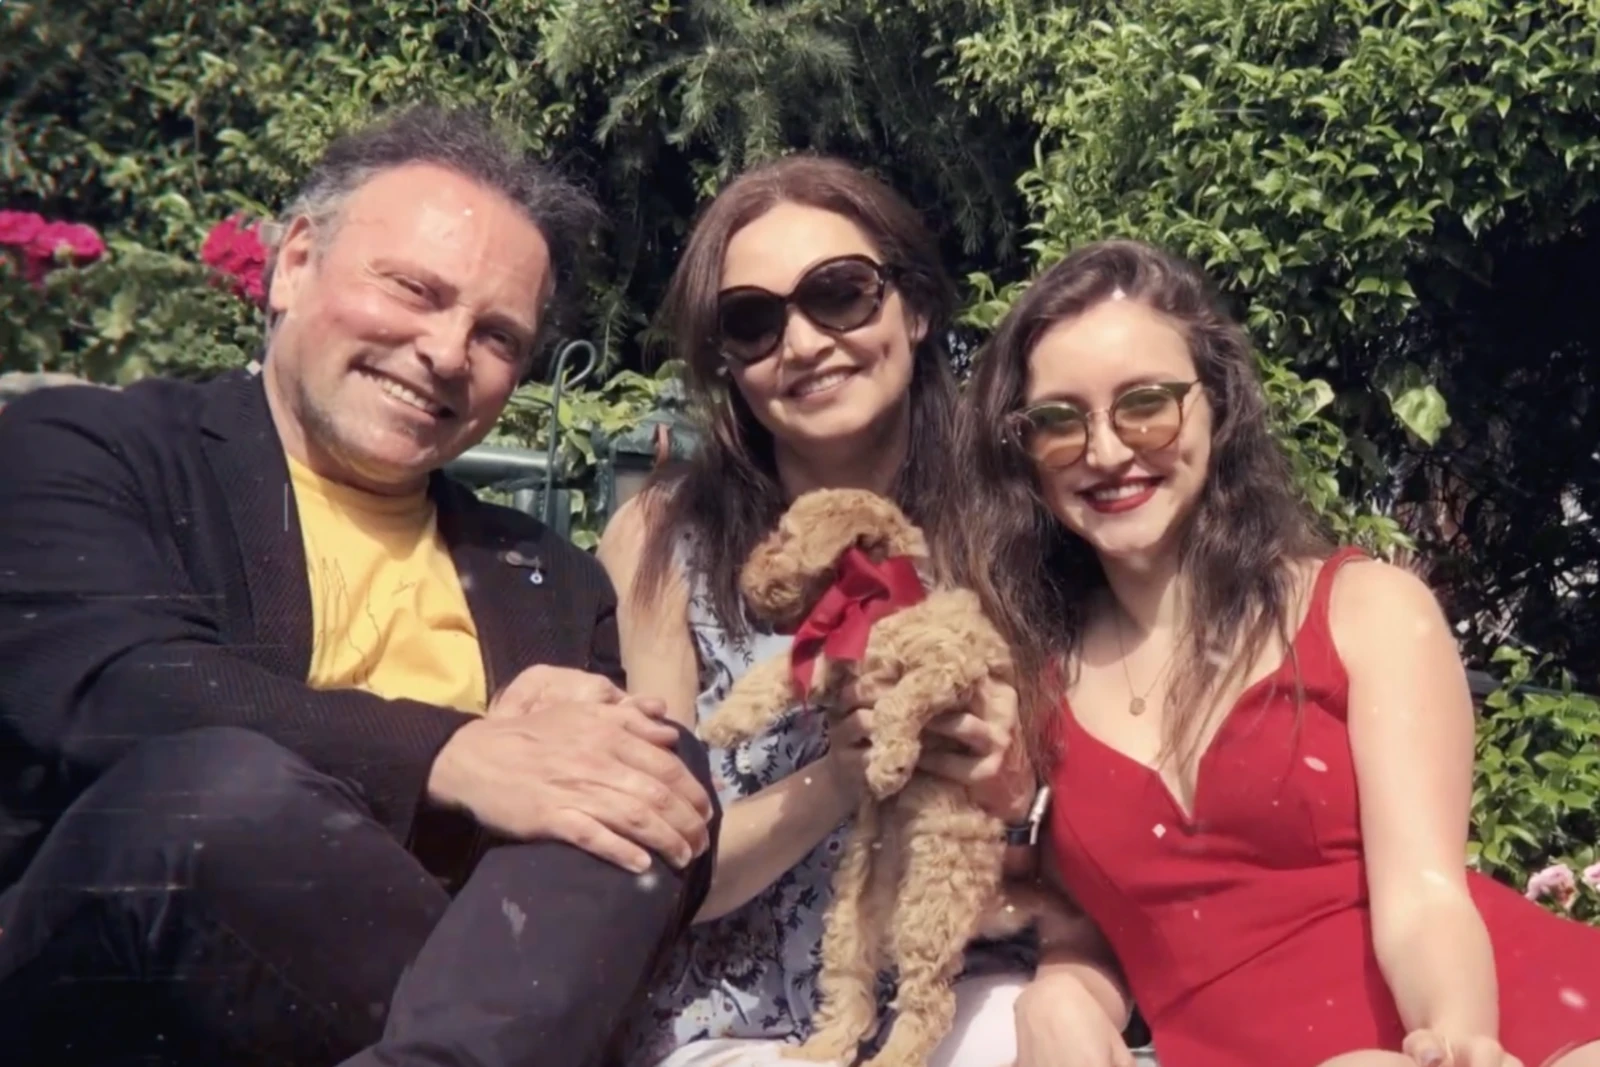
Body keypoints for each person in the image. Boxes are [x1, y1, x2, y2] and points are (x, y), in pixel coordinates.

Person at [0, 104, 719, 1067]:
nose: (447, 351)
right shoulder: (90, 452)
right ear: (294, 263)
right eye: (415, 289)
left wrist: (609, 758)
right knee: (216, 793)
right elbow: (114, 693)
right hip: (118, 997)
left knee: (645, 759)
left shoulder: (549, 579)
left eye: (498, 336)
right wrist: (454, 753)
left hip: (429, 1013)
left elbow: (613, 870)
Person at [958, 237, 1600, 1067]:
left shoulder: (1368, 612)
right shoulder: (1029, 677)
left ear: (1215, 406)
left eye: (1145, 403)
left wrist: (1455, 1042)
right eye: (1058, 422)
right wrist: (1061, 991)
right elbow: (1103, 925)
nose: (1108, 450)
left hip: (1496, 1027)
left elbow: (1426, 897)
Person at [595, 156, 1053, 1066]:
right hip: (738, 1018)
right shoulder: (663, 539)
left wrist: (1016, 793)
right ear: (727, 362)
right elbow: (661, 869)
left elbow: (1101, 838)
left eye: (840, 295)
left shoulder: (1018, 525)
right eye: (754, 322)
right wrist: (835, 781)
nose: (802, 344)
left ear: (914, 310)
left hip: (958, 988)